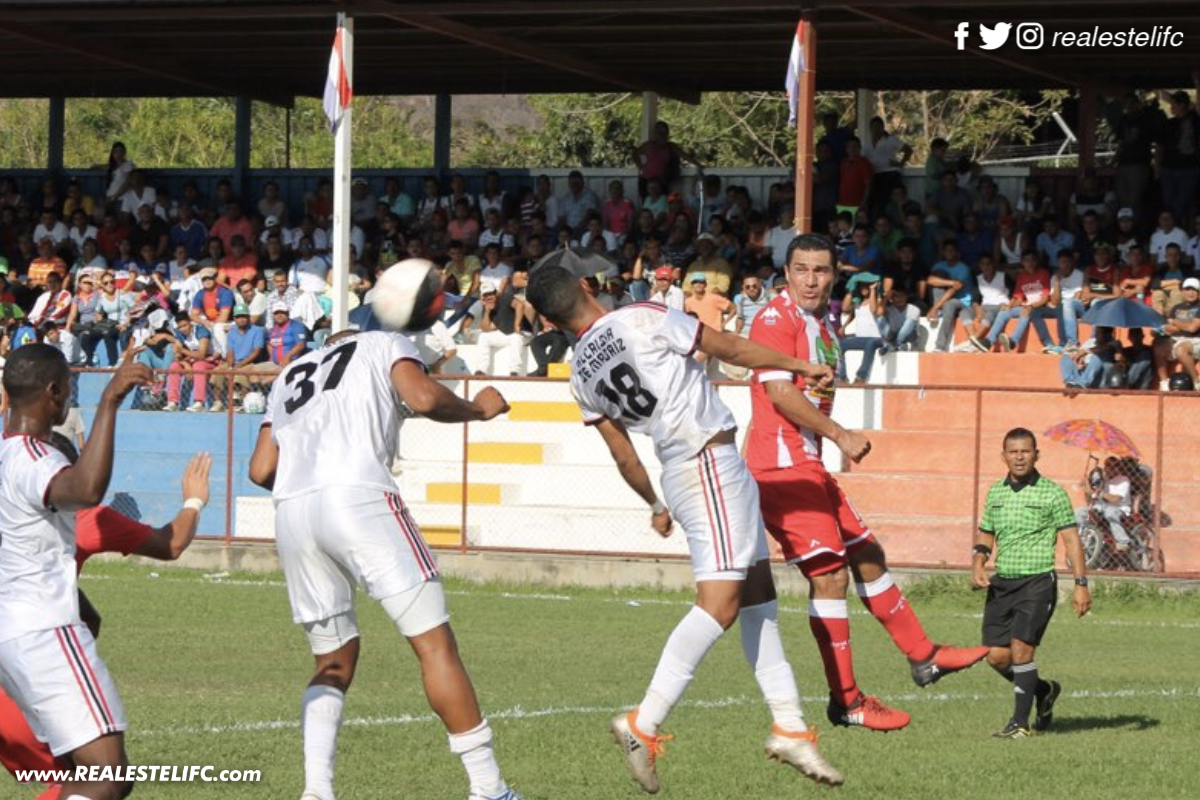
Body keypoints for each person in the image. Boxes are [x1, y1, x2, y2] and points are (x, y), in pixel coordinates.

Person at [525, 264, 843, 792]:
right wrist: (798, 365)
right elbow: (729, 348)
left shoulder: (580, 370)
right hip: (708, 462)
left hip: (683, 469)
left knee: (758, 597)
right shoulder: (640, 317)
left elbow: (622, 452)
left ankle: (789, 725)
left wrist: (654, 501)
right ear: (586, 287)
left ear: (546, 318)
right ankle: (643, 723)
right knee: (719, 603)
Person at [248, 331, 522, 800]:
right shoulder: (380, 342)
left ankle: (316, 791)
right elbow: (422, 395)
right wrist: (479, 408)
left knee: (332, 658)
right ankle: (489, 789)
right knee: (434, 645)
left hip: (292, 509)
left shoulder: (291, 372)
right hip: (357, 497)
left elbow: (259, 470)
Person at [747, 233, 989, 733]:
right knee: (829, 576)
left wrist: (822, 402)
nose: (811, 279)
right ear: (786, 272)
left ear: (834, 274)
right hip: (782, 468)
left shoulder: (823, 320)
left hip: (806, 463)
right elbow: (775, 393)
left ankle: (924, 656)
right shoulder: (775, 319)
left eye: (821, 270)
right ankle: (848, 700)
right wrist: (838, 434)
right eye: (801, 270)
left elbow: (807, 387)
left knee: (867, 553)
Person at [0, 441, 210, 800]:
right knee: (98, 775)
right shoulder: (81, 514)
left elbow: (85, 615)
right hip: (22, 670)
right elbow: (170, 544)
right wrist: (194, 500)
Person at [0, 345, 152, 800]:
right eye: (68, 386)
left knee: (79, 774)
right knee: (106, 775)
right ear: (53, 391)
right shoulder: (32, 457)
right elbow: (85, 489)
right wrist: (109, 402)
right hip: (44, 629)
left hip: (12, 631)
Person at [973, 428, 1091, 738]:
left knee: (1022, 650)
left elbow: (1072, 541)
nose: (1020, 457)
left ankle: (1019, 724)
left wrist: (1080, 584)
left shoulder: (1052, 493)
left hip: (1037, 582)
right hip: (1003, 584)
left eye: (1026, 451)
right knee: (996, 657)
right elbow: (986, 533)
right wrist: (978, 562)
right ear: (1004, 456)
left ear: (1036, 455)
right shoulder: (996, 492)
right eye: (1013, 452)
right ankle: (1043, 690)